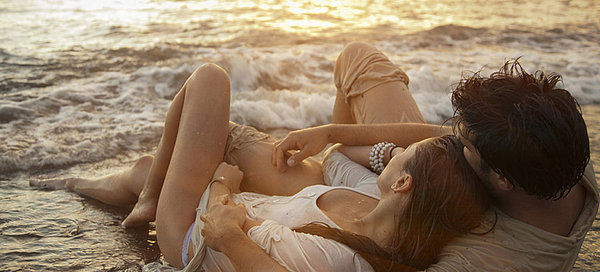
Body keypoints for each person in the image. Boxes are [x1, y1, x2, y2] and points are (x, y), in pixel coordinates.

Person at [31, 50, 489, 272]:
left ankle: (150, 198)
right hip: (241, 203)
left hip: (193, 234)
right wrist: (382, 151)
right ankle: (85, 184)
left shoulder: (337, 257)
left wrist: (222, 186)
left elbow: (223, 232)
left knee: (209, 79)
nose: (394, 150)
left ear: (405, 184)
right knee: (148, 164)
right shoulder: (371, 197)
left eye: (404, 155)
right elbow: (342, 155)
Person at [273, 43, 599, 272]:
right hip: (423, 181)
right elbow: (441, 136)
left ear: (502, 180)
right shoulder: (556, 141)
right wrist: (332, 132)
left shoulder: (487, 261)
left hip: (413, 208)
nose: (453, 137)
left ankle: (310, 180)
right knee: (357, 57)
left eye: (467, 145)